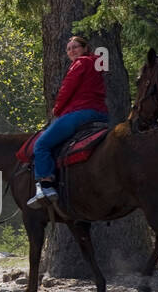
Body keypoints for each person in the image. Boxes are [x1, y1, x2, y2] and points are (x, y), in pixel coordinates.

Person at [27, 35, 109, 208]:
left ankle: (46, 186)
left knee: (40, 145)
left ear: (85, 48)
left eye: (75, 47)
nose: (71, 51)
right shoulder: (96, 64)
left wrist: (56, 110)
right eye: (69, 48)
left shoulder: (80, 63)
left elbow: (67, 89)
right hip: (101, 114)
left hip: (78, 113)